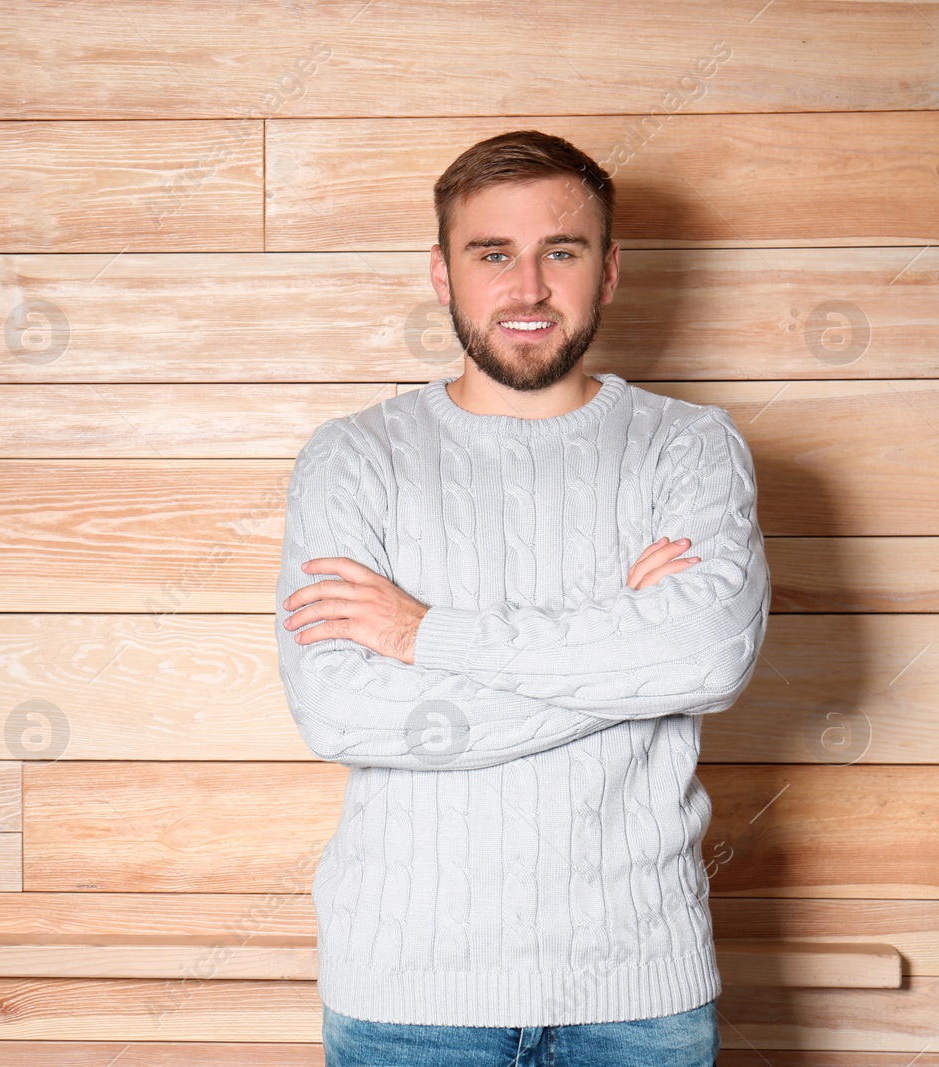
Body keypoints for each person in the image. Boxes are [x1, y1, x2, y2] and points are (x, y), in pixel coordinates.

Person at [274, 129, 770, 1066]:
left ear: (610, 270)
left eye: (562, 252)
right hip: (405, 999)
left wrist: (430, 635)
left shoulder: (690, 448)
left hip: (639, 995)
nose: (529, 287)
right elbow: (339, 709)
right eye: (492, 253)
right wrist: (628, 661)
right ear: (441, 271)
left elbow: (704, 657)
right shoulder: (354, 456)